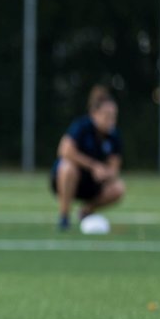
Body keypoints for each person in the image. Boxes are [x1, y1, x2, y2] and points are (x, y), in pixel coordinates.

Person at [51, 84, 125, 230]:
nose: (111, 121)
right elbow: (64, 150)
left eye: (114, 116)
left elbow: (115, 169)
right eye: (107, 116)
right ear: (94, 114)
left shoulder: (114, 136)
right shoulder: (82, 127)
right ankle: (64, 217)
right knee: (67, 167)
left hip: (92, 184)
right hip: (69, 179)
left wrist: (105, 173)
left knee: (118, 188)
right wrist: (93, 166)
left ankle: (85, 212)